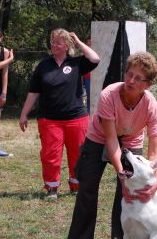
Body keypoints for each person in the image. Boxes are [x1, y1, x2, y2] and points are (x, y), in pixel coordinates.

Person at [65, 51, 157, 239]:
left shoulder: (151, 106)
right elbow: (111, 140)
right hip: (98, 139)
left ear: (148, 84)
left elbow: (154, 151)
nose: (130, 81)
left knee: (126, 198)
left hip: (131, 142)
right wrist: (122, 172)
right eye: (129, 74)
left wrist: (154, 181)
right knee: (87, 192)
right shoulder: (109, 94)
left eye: (138, 78)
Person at [19, 28, 100, 199]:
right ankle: (52, 188)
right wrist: (24, 114)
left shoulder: (77, 63)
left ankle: (76, 185)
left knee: (78, 153)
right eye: (52, 41)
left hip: (76, 118)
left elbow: (95, 58)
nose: (54, 45)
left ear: (66, 45)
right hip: (49, 119)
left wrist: (78, 41)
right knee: (50, 155)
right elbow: (34, 92)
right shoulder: (43, 65)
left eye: (58, 42)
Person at [0, 29, 14, 157]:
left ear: (1, 38)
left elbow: (5, 73)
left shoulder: (4, 52)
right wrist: (10, 60)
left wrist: (4, 92)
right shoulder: (8, 56)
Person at [82, 37, 91, 114]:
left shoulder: (94, 52)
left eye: (90, 42)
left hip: (93, 77)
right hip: (86, 76)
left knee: (90, 94)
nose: (89, 44)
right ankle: (88, 110)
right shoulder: (84, 51)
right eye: (87, 42)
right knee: (88, 94)